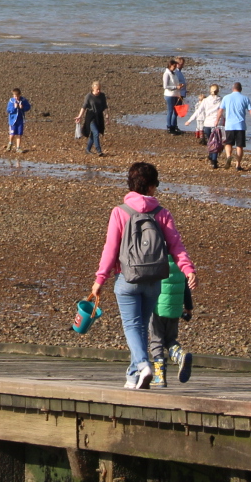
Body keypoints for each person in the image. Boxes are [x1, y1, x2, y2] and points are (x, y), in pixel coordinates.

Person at [86, 161, 197, 391]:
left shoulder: (120, 212)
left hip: (127, 279)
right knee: (142, 327)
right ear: (151, 186)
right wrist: (188, 269)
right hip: (154, 280)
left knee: (131, 326)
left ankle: (143, 366)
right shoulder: (162, 213)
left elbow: (111, 249)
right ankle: (132, 376)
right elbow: (176, 246)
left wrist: (100, 279)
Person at [148, 253, 194, 387]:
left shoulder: (154, 258)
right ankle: (179, 355)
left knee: (156, 340)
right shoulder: (180, 260)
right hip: (175, 308)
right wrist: (188, 308)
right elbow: (186, 287)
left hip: (158, 307)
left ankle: (160, 377)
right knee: (170, 339)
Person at [221, 82, 251, 173]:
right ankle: (238, 165)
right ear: (241, 89)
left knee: (228, 143)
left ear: (232, 88)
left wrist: (216, 120)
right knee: (239, 146)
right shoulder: (245, 98)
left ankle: (228, 156)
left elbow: (220, 110)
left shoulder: (226, 98)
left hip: (229, 125)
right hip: (240, 126)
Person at [78, 82, 108, 155]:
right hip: (91, 116)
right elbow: (84, 107)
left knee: (93, 134)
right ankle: (99, 150)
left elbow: (105, 106)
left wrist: (107, 116)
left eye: (99, 89)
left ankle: (88, 149)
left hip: (99, 116)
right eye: (97, 89)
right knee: (96, 133)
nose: (99, 91)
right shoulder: (88, 96)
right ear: (93, 89)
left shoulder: (102, 96)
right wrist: (80, 116)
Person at [161, 60, 186, 136]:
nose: (175, 68)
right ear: (170, 65)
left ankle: (174, 126)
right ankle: (169, 127)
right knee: (170, 111)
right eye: (174, 66)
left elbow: (175, 83)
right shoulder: (166, 74)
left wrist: (179, 86)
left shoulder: (174, 73)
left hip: (176, 94)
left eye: (175, 66)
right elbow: (165, 86)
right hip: (169, 95)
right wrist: (176, 87)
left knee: (176, 111)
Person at [5, 89, 32, 154]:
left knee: (19, 134)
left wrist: (22, 107)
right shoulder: (11, 101)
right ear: (13, 95)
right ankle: (10, 144)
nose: (16, 98)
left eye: (17, 96)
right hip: (13, 121)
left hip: (20, 120)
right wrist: (14, 107)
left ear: (20, 95)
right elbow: (8, 110)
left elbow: (28, 107)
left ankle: (18, 148)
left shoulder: (23, 100)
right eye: (15, 96)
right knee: (12, 134)